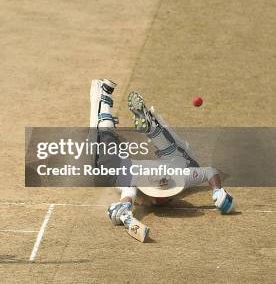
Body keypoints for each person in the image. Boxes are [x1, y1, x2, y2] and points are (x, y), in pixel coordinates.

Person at [88, 79, 235, 231]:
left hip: (143, 167)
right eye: (161, 196)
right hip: (161, 166)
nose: (160, 200)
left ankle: (148, 128)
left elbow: (129, 191)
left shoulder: (161, 182)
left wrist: (124, 206)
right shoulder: (178, 177)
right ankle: (107, 100)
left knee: (104, 171)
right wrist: (218, 190)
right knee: (190, 163)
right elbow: (210, 171)